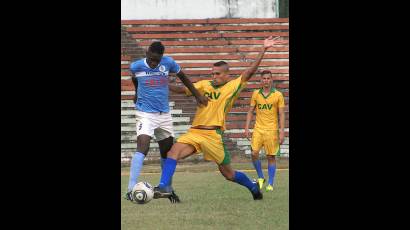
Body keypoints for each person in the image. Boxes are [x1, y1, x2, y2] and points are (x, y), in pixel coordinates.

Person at [154, 36, 284, 202]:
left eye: (217, 73)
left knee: (228, 174)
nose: (213, 76)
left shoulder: (232, 87)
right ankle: (164, 186)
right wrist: (160, 82)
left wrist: (263, 50)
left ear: (226, 75)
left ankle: (252, 187)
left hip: (213, 136)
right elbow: (181, 90)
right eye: (212, 73)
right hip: (195, 132)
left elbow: (249, 72)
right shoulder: (203, 84)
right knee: (173, 151)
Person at [125, 41, 209, 203]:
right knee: (143, 146)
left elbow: (183, 77)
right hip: (145, 114)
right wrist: (136, 93)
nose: (154, 63)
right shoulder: (136, 66)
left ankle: (167, 189)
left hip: (164, 115)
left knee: (167, 152)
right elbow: (134, 79)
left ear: (161, 57)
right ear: (147, 53)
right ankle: (130, 189)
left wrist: (197, 95)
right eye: (152, 59)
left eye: (157, 60)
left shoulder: (168, 63)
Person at [244, 70, 286, 191]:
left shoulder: (278, 95)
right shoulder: (256, 93)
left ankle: (271, 183)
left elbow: (282, 114)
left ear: (271, 80)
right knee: (254, 153)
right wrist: (246, 128)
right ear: (260, 80)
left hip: (272, 130)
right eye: (264, 78)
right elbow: (250, 111)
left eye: (268, 78)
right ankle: (261, 177)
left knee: (271, 157)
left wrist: (282, 132)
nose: (266, 80)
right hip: (258, 129)